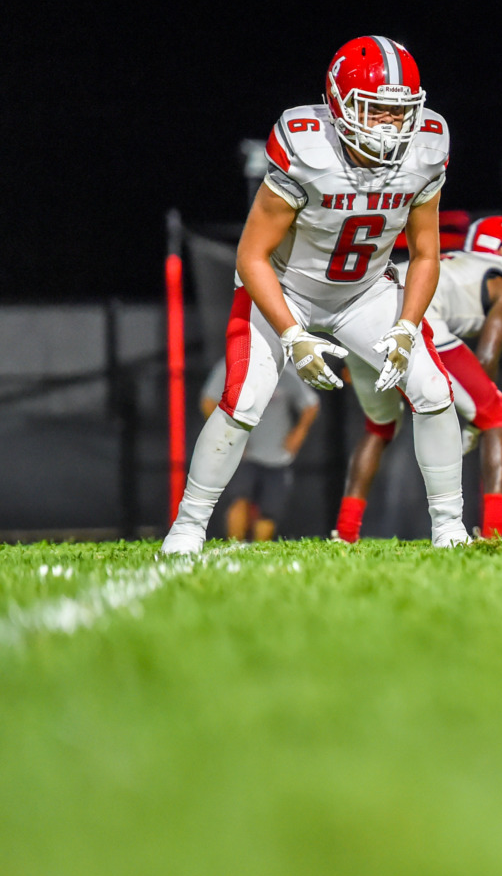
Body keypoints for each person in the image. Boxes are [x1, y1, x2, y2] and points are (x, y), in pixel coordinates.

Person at [162, 35, 466, 554]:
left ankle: (450, 526)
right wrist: (292, 335)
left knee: (435, 392)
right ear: (339, 102)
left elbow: (425, 254)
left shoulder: (427, 149)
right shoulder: (307, 148)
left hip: (366, 290)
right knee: (245, 399)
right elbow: (251, 256)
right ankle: (188, 526)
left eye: (400, 113)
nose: (391, 127)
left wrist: (408, 324)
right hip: (284, 287)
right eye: (376, 111)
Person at [335, 216, 502, 541]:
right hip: (413, 314)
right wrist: (479, 417)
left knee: (380, 425)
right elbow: (488, 355)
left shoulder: (463, 263)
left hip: (361, 311)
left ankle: (345, 532)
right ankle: (495, 532)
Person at [199, 359, 319, 541]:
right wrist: (229, 435)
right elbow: (208, 402)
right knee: (239, 500)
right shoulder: (230, 367)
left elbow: (311, 404)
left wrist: (299, 433)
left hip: (278, 456)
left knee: (270, 511)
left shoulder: (283, 372)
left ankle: (258, 553)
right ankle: (235, 550)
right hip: (242, 455)